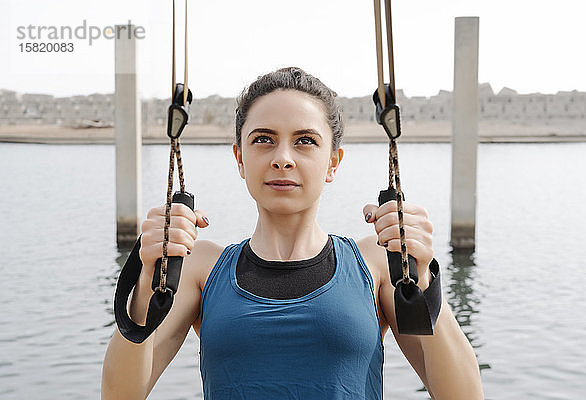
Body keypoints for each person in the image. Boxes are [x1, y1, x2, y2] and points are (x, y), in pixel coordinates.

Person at [102, 67, 483, 399]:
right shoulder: (201, 269)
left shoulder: (377, 264)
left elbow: (461, 394)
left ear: (332, 162)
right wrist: (148, 276)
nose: (282, 157)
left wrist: (425, 274)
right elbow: (121, 395)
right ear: (240, 158)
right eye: (263, 139)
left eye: (305, 141)